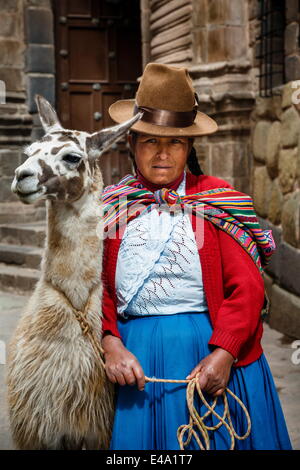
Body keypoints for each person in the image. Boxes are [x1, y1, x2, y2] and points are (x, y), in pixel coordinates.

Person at [100, 63, 292, 450]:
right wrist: (110, 342)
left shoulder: (216, 202)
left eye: (175, 143)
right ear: (132, 143)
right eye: (150, 141)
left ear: (189, 148)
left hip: (207, 356)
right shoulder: (113, 206)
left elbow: (248, 289)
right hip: (131, 364)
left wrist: (224, 352)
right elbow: (95, 286)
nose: (162, 154)